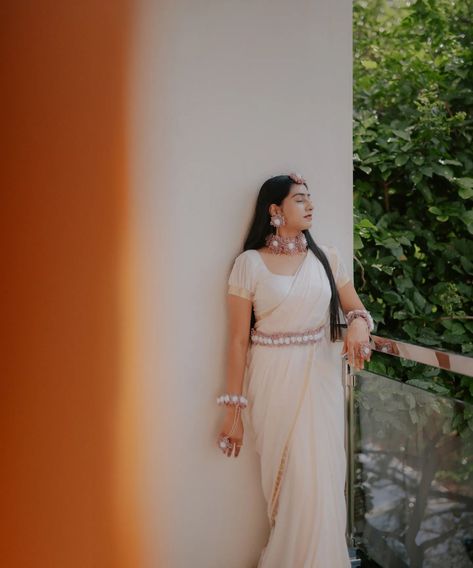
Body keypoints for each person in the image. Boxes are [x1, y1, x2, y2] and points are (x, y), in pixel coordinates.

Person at [216, 173, 373, 568]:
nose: (310, 205)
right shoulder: (248, 265)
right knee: (294, 487)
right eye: (300, 199)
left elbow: (356, 307)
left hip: (319, 380)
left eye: (309, 198)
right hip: (272, 382)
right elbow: (237, 341)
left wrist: (357, 323)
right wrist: (232, 413)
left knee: (321, 484)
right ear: (275, 210)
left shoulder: (327, 257)